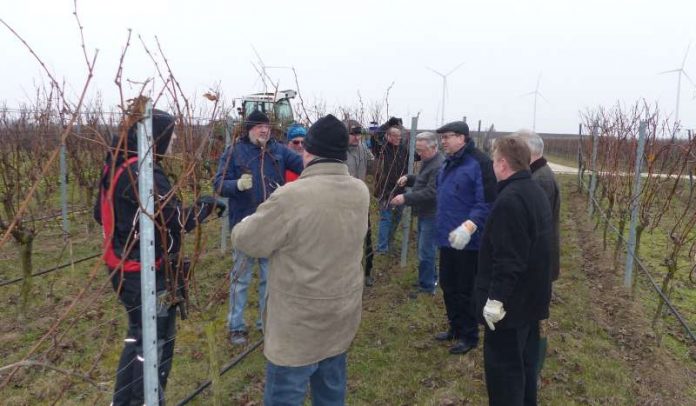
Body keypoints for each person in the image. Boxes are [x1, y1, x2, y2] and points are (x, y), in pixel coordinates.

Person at [230, 114, 369, 405]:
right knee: (331, 393)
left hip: (298, 325)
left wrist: (263, 212)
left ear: (308, 151)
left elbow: (248, 240)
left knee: (285, 395)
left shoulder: (292, 197)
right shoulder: (360, 190)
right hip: (341, 315)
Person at [94, 109, 223, 406]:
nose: (175, 139)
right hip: (145, 274)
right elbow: (177, 219)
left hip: (120, 268)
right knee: (156, 343)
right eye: (171, 134)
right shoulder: (143, 172)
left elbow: (98, 215)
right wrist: (207, 207)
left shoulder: (115, 163)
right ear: (155, 138)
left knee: (138, 338)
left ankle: (123, 400)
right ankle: (147, 400)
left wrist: (134, 225)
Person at [213, 110, 304, 345]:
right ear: (248, 129)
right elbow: (219, 184)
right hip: (244, 225)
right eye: (258, 126)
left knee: (270, 278)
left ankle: (266, 323)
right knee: (241, 279)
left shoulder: (278, 150)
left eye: (267, 126)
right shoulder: (234, 152)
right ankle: (236, 327)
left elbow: (304, 165)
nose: (264, 130)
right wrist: (237, 185)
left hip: (272, 226)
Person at [474, 136, 552, 406]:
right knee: (525, 367)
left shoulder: (510, 200)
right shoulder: (534, 191)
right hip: (530, 301)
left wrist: (495, 300)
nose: (493, 165)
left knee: (504, 373)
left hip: (510, 308)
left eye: (494, 160)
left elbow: (508, 259)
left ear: (503, 163)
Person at [434, 120, 497, 355]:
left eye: (447, 137)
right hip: (447, 238)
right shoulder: (448, 164)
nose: (443, 141)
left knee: (466, 289)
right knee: (449, 286)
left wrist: (468, 227)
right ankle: (455, 327)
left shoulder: (479, 163)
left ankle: (470, 335)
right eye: (442, 138)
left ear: (462, 138)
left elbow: (486, 202)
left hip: (470, 241)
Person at [518, 129, 561, 381]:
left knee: (536, 318)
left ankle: (532, 370)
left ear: (530, 152)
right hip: (538, 262)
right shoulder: (537, 175)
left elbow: (534, 228)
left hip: (538, 264)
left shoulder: (540, 180)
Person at [390, 131, 444, 295]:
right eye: (418, 151)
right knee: (426, 249)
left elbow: (431, 192)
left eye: (421, 151)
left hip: (432, 214)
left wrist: (405, 198)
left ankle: (427, 288)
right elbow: (423, 179)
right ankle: (430, 280)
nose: (419, 155)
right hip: (425, 213)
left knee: (426, 252)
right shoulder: (429, 161)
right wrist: (409, 178)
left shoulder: (438, 165)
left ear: (433, 147)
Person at [345, 119, 377, 286]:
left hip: (362, 201)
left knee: (367, 238)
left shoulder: (363, 149)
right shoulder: (339, 152)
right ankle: (348, 274)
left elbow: (373, 167)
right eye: (353, 134)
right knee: (348, 240)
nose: (356, 138)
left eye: (359, 134)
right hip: (344, 203)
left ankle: (367, 272)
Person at [373, 117, 408, 255]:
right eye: (394, 136)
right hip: (385, 189)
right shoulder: (382, 149)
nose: (398, 138)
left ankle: (389, 242)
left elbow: (416, 156)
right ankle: (382, 248)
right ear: (388, 136)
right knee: (386, 217)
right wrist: (389, 123)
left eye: (399, 136)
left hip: (401, 190)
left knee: (397, 217)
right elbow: (376, 135)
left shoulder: (403, 150)